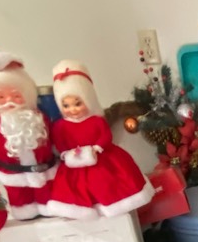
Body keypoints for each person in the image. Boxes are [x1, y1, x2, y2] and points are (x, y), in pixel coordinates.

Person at [47, 61, 154, 219]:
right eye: (66, 105)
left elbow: (105, 136)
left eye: (77, 103)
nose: (73, 109)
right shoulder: (60, 126)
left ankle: (113, 207)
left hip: (102, 159)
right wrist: (65, 153)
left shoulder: (96, 121)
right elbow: (60, 143)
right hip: (75, 165)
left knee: (109, 184)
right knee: (74, 190)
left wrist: (97, 147)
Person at [0, 49, 57, 221]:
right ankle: (24, 210)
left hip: (46, 173)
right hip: (13, 175)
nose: (10, 101)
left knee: (49, 200)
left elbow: (52, 138)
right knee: (21, 200)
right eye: (1, 97)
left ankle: (47, 206)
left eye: (16, 95)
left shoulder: (38, 115)